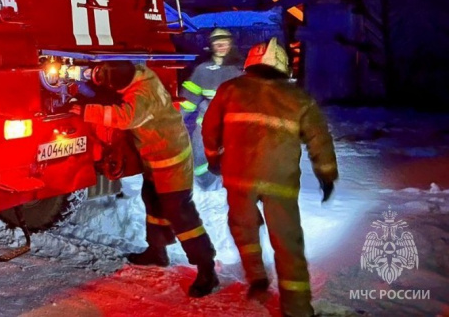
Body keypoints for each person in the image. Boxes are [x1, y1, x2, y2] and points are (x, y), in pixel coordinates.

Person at [201, 38, 338, 317]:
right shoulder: (299, 98)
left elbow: (209, 127)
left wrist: (214, 157)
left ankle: (257, 278)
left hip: (239, 177)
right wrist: (326, 174)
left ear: (251, 63)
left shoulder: (230, 90)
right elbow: (319, 138)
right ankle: (297, 309)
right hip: (281, 182)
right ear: (283, 67)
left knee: (243, 228)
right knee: (288, 243)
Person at [70, 60, 219, 298]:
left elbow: (125, 117)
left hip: (170, 160)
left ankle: (207, 269)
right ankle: (157, 252)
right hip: (155, 157)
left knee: (179, 212)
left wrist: (86, 110)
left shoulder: (143, 94)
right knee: (152, 201)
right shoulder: (139, 74)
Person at [180, 28, 245, 191]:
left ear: (231, 44)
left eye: (225, 42)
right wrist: (177, 119)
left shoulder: (241, 70)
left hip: (235, 126)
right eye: (217, 43)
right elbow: (188, 98)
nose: (221, 46)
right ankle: (207, 188)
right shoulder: (202, 70)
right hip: (206, 126)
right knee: (200, 160)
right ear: (212, 46)